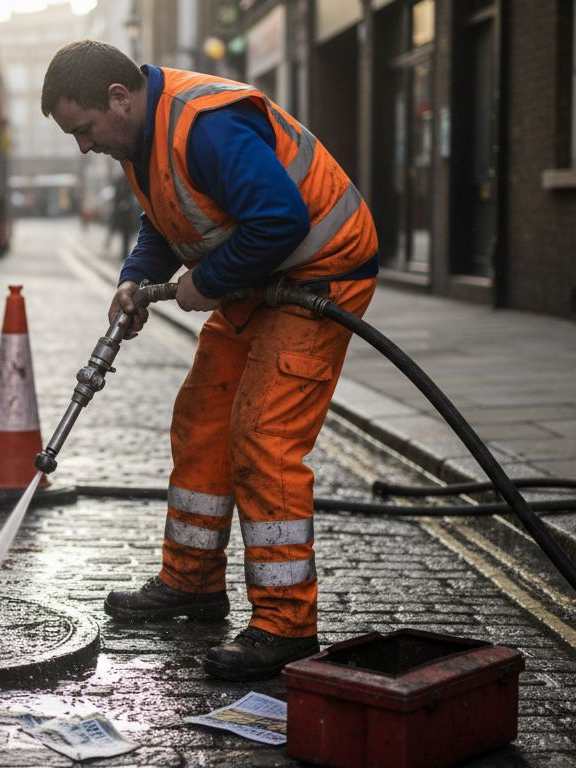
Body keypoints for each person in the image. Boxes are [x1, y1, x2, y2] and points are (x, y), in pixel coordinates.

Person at [41, 40, 379, 681]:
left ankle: (286, 624)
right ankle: (192, 582)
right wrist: (136, 278)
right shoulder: (141, 138)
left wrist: (209, 280)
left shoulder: (206, 125)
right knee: (202, 419)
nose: (83, 146)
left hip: (319, 274)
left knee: (263, 435)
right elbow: (166, 220)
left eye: (83, 130)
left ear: (118, 98)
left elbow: (280, 219)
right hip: (261, 279)